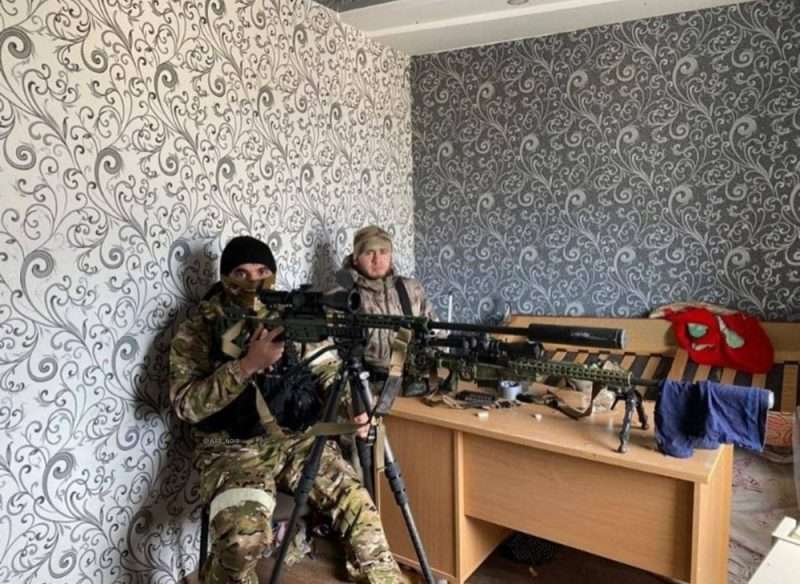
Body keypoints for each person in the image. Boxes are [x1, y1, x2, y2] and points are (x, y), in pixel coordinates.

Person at [169, 235, 404, 584]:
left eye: (262, 271)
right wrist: (246, 366)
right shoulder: (198, 329)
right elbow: (186, 405)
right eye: (241, 272)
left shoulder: (290, 317)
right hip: (231, 449)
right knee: (242, 542)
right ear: (225, 277)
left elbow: (327, 371)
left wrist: (353, 409)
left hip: (298, 439)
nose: (253, 281)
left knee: (360, 509)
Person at [332, 225, 437, 387]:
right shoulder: (341, 298)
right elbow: (328, 355)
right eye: (369, 253)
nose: (377, 260)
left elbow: (435, 332)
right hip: (365, 388)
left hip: (414, 383)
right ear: (356, 258)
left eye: (383, 251)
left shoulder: (412, 289)